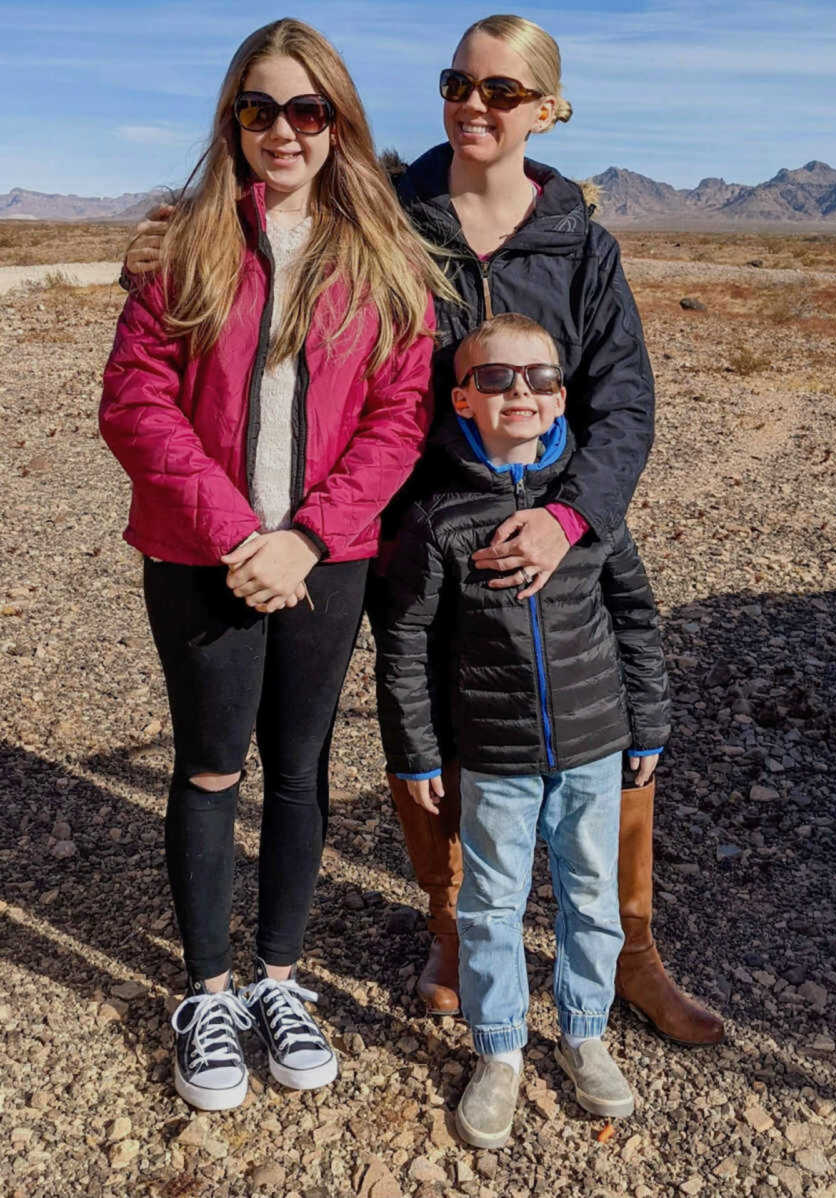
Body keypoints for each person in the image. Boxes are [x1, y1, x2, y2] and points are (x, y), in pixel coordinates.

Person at [123, 13, 724, 1047]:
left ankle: (632, 953)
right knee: (432, 728)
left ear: (545, 107)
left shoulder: (579, 241)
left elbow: (624, 402)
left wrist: (572, 519)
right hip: (417, 530)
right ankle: (450, 925)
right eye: (457, 84)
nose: (472, 105)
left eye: (498, 90)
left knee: (604, 717)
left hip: (558, 532)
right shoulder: (397, 219)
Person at [100, 17, 451, 1112]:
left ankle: (280, 981)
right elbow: (134, 400)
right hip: (199, 551)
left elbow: (401, 419)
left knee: (297, 770)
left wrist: (303, 534)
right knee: (211, 766)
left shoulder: (383, 257)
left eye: (308, 110)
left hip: (325, 557)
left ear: (339, 122)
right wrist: (234, 532)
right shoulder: (183, 243)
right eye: (261, 109)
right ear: (234, 121)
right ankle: (206, 993)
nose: (284, 130)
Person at [373, 313, 670, 1147]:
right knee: (492, 902)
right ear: (461, 397)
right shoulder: (439, 519)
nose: (522, 393)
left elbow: (636, 618)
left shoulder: (588, 507)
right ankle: (499, 1050)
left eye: (540, 378)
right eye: (498, 379)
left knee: (589, 894)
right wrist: (416, 749)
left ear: (561, 394)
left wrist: (647, 724)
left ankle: (584, 1032)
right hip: (495, 753)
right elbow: (405, 645)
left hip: (594, 744)